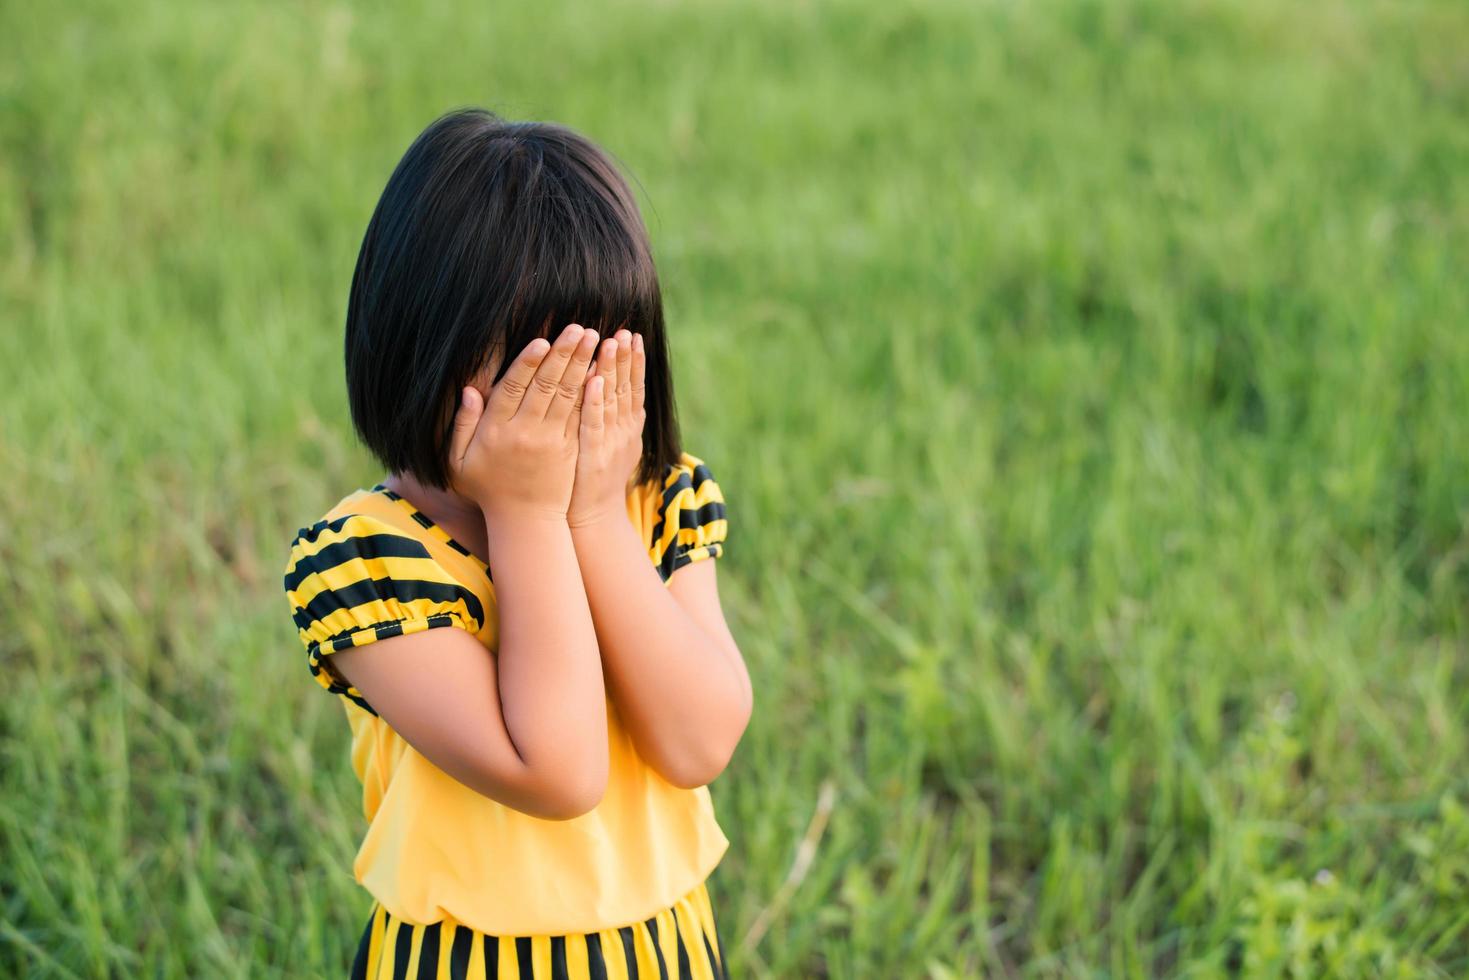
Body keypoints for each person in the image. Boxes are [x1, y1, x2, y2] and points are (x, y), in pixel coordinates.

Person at [282, 108, 752, 979]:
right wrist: (532, 517)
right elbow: (556, 770)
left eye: (594, 373)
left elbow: (700, 743)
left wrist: (595, 520)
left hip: (665, 950)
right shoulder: (367, 563)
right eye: (534, 380)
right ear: (418, 349)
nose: (563, 414)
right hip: (469, 960)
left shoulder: (658, 504)